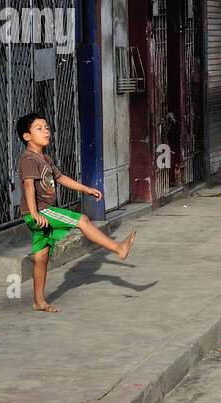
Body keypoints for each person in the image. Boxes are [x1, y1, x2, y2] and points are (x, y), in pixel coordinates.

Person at [16, 112, 136, 313]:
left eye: (46, 127)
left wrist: (85, 189)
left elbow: (61, 178)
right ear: (27, 136)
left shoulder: (44, 157)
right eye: (39, 128)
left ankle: (38, 301)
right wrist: (36, 214)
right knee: (82, 220)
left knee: (41, 257)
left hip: (40, 213)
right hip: (42, 212)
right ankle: (118, 249)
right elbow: (28, 186)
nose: (46, 131)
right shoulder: (29, 159)